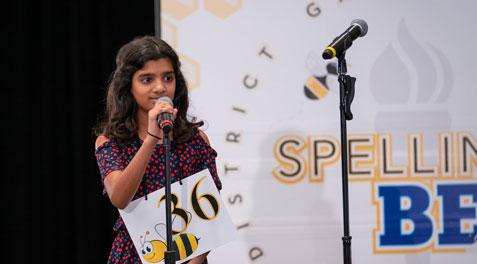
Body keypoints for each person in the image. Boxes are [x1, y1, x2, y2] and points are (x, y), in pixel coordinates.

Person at [94, 35, 221, 264]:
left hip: (190, 258)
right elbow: (120, 197)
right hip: (133, 257)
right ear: (128, 85)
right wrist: (152, 138)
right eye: (146, 79)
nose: (160, 87)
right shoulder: (111, 142)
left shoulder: (195, 141)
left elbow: (209, 215)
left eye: (168, 78)